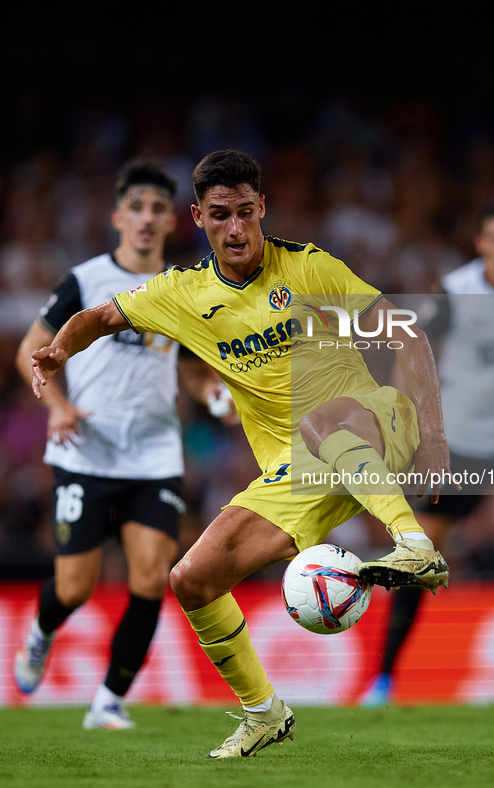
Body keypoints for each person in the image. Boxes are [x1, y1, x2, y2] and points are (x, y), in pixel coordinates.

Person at [29, 149, 455, 758]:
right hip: (298, 469)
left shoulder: (308, 268)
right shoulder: (183, 293)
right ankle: (264, 711)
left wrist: (434, 436)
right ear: (199, 217)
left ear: (263, 210)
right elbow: (100, 316)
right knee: (192, 578)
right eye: (222, 214)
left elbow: (407, 333)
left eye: (247, 213)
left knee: (321, 418)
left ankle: (415, 547)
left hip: (376, 420)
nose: (237, 228)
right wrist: (58, 353)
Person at [14, 160, 229, 729]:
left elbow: (187, 367)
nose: (147, 218)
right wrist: (58, 406)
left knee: (151, 576)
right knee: (75, 587)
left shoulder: (181, 288)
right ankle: (41, 630)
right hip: (86, 451)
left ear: (172, 222)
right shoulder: (85, 281)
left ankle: (108, 700)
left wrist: (210, 391)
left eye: (158, 209)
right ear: (118, 216)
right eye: (137, 207)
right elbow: (30, 349)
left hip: (155, 454)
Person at [361, 202, 494, 707]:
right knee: (419, 556)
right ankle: (384, 679)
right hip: (459, 441)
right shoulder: (456, 293)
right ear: (481, 244)